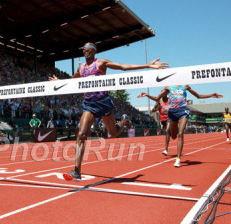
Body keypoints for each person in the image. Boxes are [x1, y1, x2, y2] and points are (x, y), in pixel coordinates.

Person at [49, 42, 169, 181]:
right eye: (84, 49)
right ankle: (77, 171)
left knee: (112, 133)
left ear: (95, 51)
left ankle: (124, 122)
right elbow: (74, 79)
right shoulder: (81, 68)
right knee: (81, 134)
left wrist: (147, 65)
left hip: (104, 103)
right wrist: (59, 81)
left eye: (90, 49)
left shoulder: (100, 63)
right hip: (89, 105)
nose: (86, 51)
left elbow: (123, 67)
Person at [139, 85, 222, 167]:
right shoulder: (168, 88)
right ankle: (176, 132)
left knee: (181, 133)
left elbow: (198, 96)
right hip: (172, 112)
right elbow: (157, 98)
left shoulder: (185, 87)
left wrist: (211, 95)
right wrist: (146, 95)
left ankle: (178, 159)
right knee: (174, 136)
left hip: (183, 111)